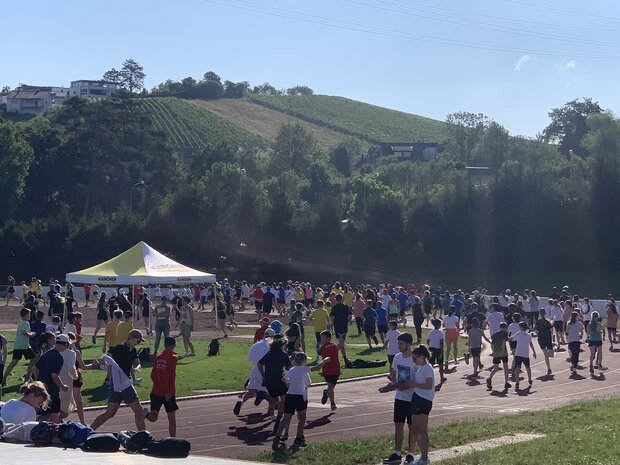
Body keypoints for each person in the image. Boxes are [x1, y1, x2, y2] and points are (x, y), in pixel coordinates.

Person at [90, 329, 148, 431]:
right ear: (132, 338)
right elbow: (107, 358)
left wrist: (136, 367)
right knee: (139, 412)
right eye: (138, 341)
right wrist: (99, 362)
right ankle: (144, 435)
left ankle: (89, 430)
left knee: (109, 413)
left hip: (115, 385)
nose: (138, 344)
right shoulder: (117, 348)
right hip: (124, 385)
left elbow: (137, 362)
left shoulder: (133, 351)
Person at [272, 352, 329, 451]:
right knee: (302, 417)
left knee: (286, 418)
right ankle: (298, 438)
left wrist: (289, 386)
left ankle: (277, 437)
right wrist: (324, 360)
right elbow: (316, 368)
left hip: (290, 395)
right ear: (304, 361)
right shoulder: (304, 369)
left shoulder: (292, 370)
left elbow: (284, 379)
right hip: (300, 396)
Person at [384, 333, 416, 465]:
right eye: (398, 344)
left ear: (408, 344)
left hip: (413, 398)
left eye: (401, 344)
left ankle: (410, 453)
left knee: (412, 426)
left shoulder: (415, 359)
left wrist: (408, 385)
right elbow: (393, 373)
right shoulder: (397, 357)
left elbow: (420, 378)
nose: (398, 346)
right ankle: (397, 453)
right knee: (398, 425)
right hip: (400, 397)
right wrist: (394, 382)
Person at [234, 328, 276, 417]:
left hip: (255, 370)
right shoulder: (271, 347)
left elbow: (250, 358)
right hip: (266, 372)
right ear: (272, 337)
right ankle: (271, 414)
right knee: (272, 395)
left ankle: (241, 402)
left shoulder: (256, 345)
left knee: (250, 392)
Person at [407, 346, 436, 465]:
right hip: (417, 398)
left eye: (415, 358)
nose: (413, 361)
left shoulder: (427, 368)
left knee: (422, 430)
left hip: (423, 400)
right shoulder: (420, 369)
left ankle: (424, 458)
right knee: (415, 430)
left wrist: (413, 384)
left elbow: (429, 385)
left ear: (422, 356)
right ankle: (422, 456)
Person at [258, 334, 292, 433]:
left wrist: (263, 375)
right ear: (283, 343)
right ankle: (279, 418)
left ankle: (264, 395)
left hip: (268, 380)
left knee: (274, 398)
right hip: (279, 379)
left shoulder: (269, 353)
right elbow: (288, 368)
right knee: (284, 399)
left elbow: (259, 363)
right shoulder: (283, 354)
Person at [32, 335, 70, 423]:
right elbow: (54, 376)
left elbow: (34, 368)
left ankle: (32, 428)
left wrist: (39, 380)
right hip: (52, 390)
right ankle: (52, 432)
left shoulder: (47, 353)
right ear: (64, 344)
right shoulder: (59, 357)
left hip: (42, 389)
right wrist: (63, 387)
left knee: (44, 413)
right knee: (54, 413)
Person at [146, 336, 179, 437]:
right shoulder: (173, 358)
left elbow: (153, 375)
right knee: (172, 420)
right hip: (168, 392)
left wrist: (157, 384)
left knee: (153, 417)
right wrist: (167, 391)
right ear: (174, 345)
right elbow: (169, 375)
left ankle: (145, 414)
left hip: (156, 391)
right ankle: (173, 439)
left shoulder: (158, 357)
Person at [2, 308, 36, 387]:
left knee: (14, 361)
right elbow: (24, 333)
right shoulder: (26, 323)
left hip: (18, 345)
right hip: (24, 346)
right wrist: (32, 334)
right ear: (25, 315)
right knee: (34, 359)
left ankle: (4, 378)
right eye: (29, 314)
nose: (30, 315)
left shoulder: (21, 322)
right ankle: (28, 377)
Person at [511, 322, 537, 390]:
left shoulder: (519, 333)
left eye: (519, 327)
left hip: (518, 354)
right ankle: (530, 380)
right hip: (525, 354)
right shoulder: (528, 335)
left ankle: (517, 383)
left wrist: (505, 337)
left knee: (517, 368)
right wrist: (534, 352)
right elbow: (531, 343)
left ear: (521, 327)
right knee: (527, 367)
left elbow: (512, 338)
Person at [319, 330, 340, 412]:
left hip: (327, 370)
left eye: (323, 338)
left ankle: (332, 403)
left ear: (328, 338)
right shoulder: (334, 345)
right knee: (331, 388)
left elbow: (321, 354)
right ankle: (331, 401)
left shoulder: (323, 348)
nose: (321, 340)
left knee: (330, 387)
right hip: (334, 370)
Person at [487, 322, 512, 391]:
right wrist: (502, 351)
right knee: (505, 367)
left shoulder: (494, 334)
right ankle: (506, 382)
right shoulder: (504, 334)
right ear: (505, 328)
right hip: (503, 353)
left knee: (495, 368)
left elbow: (492, 343)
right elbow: (504, 342)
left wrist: (493, 351)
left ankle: (489, 378)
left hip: (496, 352)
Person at [329, 294, 352, 366]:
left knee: (341, 343)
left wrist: (334, 323)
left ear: (336, 299)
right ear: (342, 299)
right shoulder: (345, 306)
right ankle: (345, 358)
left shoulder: (334, 307)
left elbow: (332, 317)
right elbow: (350, 316)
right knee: (342, 342)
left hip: (337, 326)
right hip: (344, 326)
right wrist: (347, 321)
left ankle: (332, 354)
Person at [535, 309, 554, 375]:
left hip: (541, 339)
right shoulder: (548, 322)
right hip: (547, 339)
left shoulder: (538, 322)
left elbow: (536, 331)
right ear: (545, 313)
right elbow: (551, 331)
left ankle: (549, 368)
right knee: (550, 355)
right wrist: (553, 338)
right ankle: (549, 368)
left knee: (548, 355)